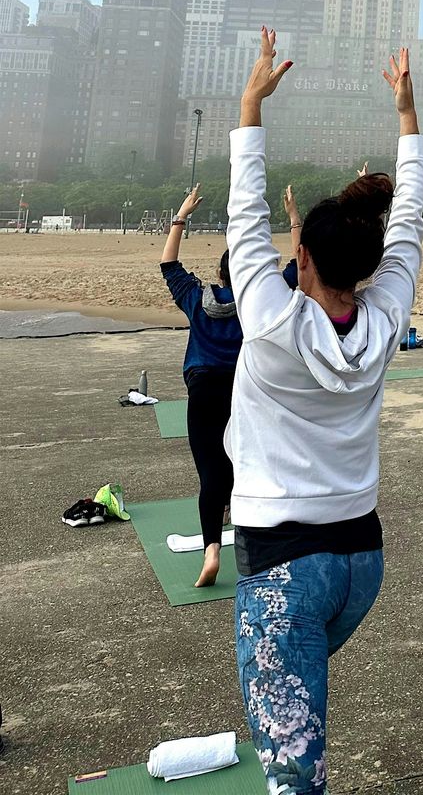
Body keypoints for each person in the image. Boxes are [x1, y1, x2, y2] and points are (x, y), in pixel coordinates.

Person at [226, 28, 423, 792]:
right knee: (294, 716)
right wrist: (408, 116)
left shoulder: (273, 325)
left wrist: (250, 103)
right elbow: (407, 218)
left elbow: (245, 217)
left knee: (295, 777)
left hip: (284, 569)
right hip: (360, 562)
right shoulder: (385, 317)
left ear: (301, 257)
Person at [159, 184, 293, 587]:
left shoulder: (197, 298)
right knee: (244, 463)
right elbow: (297, 271)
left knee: (209, 473)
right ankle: (252, 534)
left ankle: (212, 550)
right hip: (245, 391)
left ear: (218, 274)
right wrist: (293, 218)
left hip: (202, 390)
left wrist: (181, 216)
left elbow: (169, 264)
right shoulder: (259, 299)